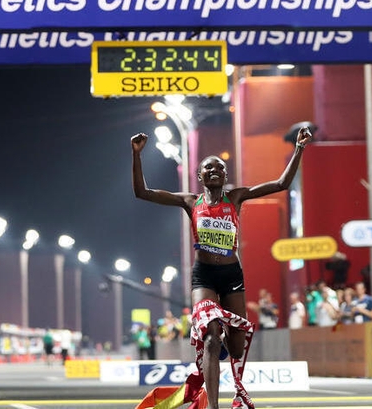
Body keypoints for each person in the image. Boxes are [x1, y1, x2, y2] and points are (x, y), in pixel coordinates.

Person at [131, 126, 312, 409]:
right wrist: (137, 155)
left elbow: (280, 184)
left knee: (236, 347)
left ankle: (222, 342)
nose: (214, 170)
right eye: (208, 168)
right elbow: (143, 192)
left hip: (232, 277)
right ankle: (214, 404)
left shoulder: (236, 198)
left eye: (220, 168)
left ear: (225, 176)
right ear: (199, 176)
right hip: (204, 277)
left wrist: (299, 148)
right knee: (212, 335)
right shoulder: (190, 202)